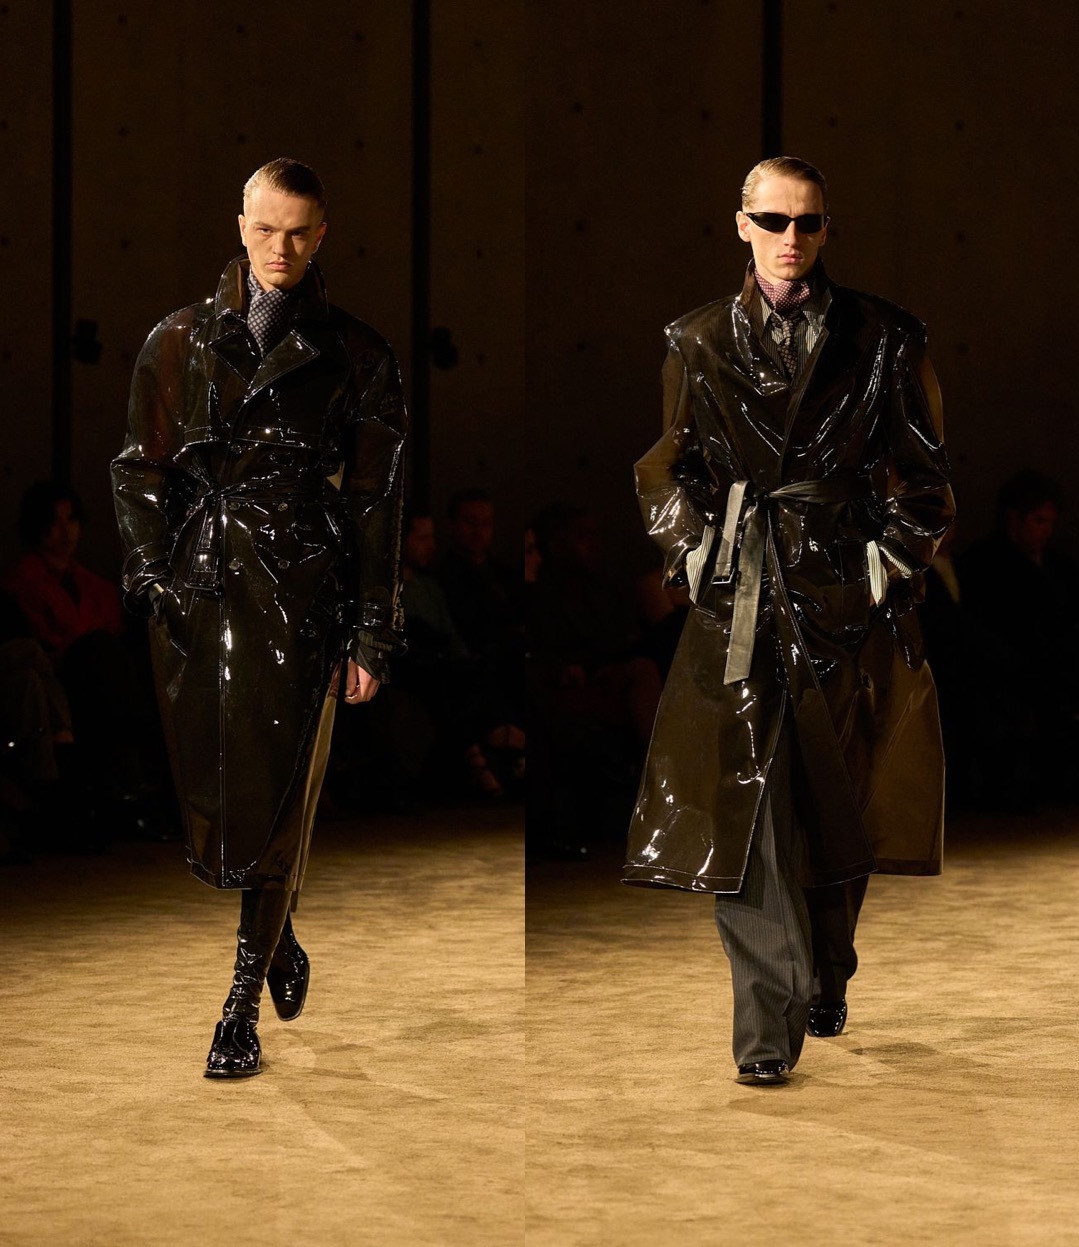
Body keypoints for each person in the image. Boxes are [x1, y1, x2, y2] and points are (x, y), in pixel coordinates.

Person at [623, 157, 954, 1086]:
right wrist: (694, 553)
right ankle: (764, 1033)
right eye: (772, 220)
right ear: (741, 224)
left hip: (843, 593)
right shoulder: (696, 339)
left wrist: (883, 567)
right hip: (741, 593)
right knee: (749, 806)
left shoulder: (884, 336)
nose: (790, 238)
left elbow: (925, 476)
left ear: (825, 229)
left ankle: (828, 961)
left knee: (838, 801)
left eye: (807, 222)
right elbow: (665, 465)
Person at [112, 158, 406, 1078]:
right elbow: (140, 467)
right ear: (240, 225)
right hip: (197, 591)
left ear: (323, 235)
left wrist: (371, 628)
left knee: (280, 791)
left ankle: (239, 1001)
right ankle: (279, 936)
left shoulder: (357, 354)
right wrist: (150, 576)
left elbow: (376, 500)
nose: (281, 247)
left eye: (299, 231)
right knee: (217, 794)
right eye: (266, 228)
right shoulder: (178, 338)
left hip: (304, 591)